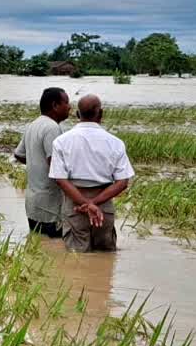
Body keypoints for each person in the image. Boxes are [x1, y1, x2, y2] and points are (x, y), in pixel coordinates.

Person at [48, 94, 135, 252]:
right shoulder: (115, 143)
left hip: (75, 206)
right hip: (103, 207)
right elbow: (122, 182)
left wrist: (86, 205)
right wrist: (94, 204)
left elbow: (60, 180)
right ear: (100, 113)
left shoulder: (61, 142)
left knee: (77, 260)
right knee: (105, 258)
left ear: (78, 115)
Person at [13, 87, 71, 238]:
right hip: (50, 207)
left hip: (33, 204)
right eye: (66, 102)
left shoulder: (33, 125)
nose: (70, 107)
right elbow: (55, 166)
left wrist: (36, 163)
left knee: (38, 249)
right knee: (55, 252)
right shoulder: (52, 128)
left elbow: (18, 154)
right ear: (55, 105)